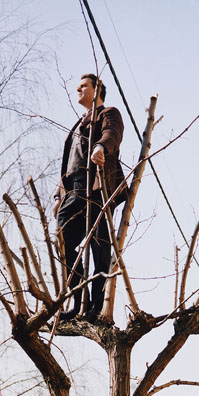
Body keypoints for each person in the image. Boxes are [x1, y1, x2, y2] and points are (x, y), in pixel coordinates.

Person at [54, 74, 127, 321]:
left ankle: (95, 307)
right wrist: (58, 195)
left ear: (96, 91)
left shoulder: (108, 113)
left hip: (97, 188)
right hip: (73, 191)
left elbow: (112, 134)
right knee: (62, 241)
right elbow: (69, 163)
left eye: (83, 86)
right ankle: (78, 301)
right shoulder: (77, 125)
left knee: (100, 248)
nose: (78, 89)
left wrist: (100, 148)